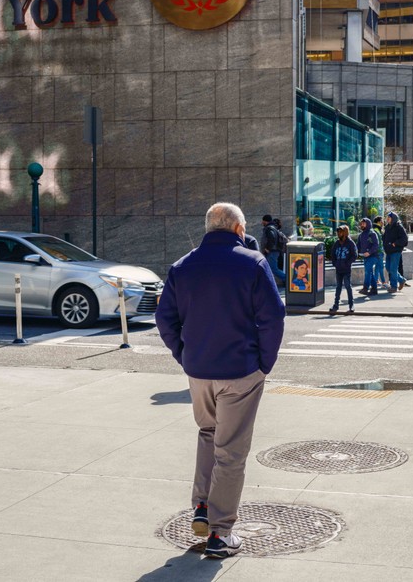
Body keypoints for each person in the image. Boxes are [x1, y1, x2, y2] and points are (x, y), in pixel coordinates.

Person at [156, 202, 285, 559]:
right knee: (231, 451)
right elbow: (273, 318)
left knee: (208, 435)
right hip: (240, 371)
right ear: (238, 229)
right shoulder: (253, 263)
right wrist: (264, 364)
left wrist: (184, 355)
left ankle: (201, 506)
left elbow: (165, 319)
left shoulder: (183, 266)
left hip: (199, 372)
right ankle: (220, 532)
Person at [329, 225, 358, 314]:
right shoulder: (337, 243)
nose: (338, 233)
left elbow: (354, 255)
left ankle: (351, 305)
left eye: (340, 232)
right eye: (338, 232)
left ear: (345, 233)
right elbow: (332, 254)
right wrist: (335, 263)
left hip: (346, 269)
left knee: (348, 286)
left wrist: (347, 263)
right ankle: (335, 305)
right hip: (338, 269)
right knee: (338, 287)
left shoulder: (350, 243)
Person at [382, 211, 409, 292]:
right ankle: (401, 280)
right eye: (387, 217)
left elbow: (404, 239)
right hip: (389, 251)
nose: (387, 219)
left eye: (389, 218)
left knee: (393, 269)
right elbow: (384, 238)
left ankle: (394, 287)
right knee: (388, 268)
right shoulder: (387, 227)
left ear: (393, 218)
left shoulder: (399, 227)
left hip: (396, 251)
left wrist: (395, 243)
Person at [357, 217, 381, 296]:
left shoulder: (372, 233)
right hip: (365, 256)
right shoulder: (361, 235)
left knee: (368, 272)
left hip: (373, 256)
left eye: (364, 223)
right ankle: (374, 289)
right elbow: (358, 246)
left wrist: (369, 252)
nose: (362, 225)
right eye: (361, 223)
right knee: (369, 272)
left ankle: (365, 288)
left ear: (368, 224)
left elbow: (376, 245)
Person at [261, 215, 285, 284]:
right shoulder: (272, 227)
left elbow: (272, 238)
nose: (262, 222)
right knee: (270, 268)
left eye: (262, 221)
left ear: (265, 221)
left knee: (273, 268)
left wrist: (268, 248)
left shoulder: (269, 228)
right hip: (273, 251)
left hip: (272, 251)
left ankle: (287, 279)